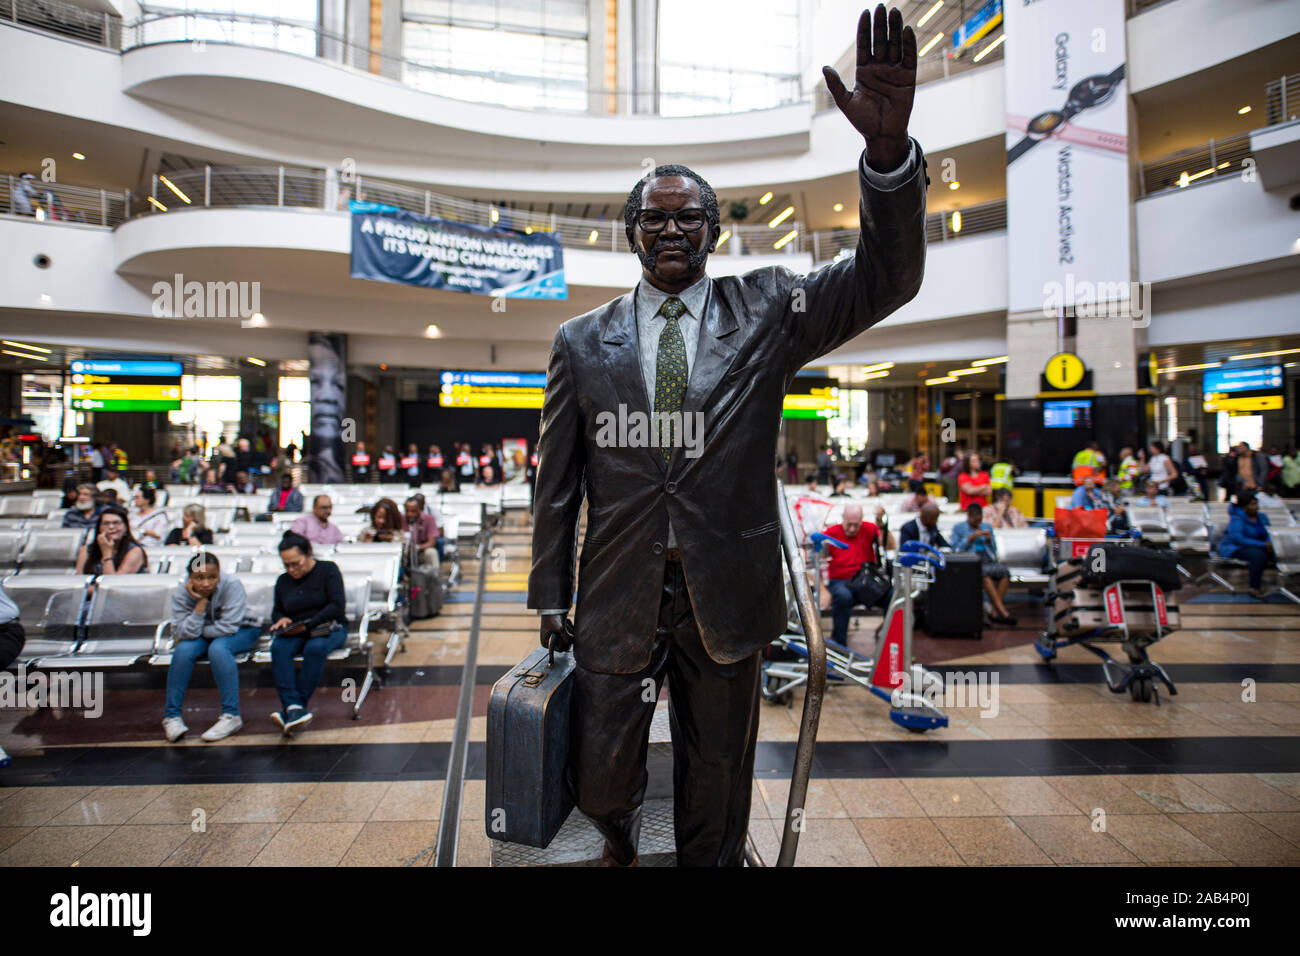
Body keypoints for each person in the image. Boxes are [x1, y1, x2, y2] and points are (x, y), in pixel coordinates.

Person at [528, 6, 924, 867]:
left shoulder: (770, 309)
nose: (672, 230)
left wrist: (888, 160)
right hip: (615, 594)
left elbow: (887, 280)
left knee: (719, 776)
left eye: (688, 219)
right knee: (603, 772)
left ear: (714, 231)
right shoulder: (580, 343)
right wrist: (549, 590)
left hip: (728, 593)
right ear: (632, 232)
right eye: (655, 219)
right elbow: (554, 483)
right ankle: (615, 843)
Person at [162, 553, 262, 742]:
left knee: (218, 649)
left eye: (212, 577)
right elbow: (181, 632)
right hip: (206, 633)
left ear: (219, 574)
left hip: (243, 630)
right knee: (183, 651)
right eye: (199, 578)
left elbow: (228, 627)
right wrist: (200, 605)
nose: (206, 583)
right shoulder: (181, 593)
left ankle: (231, 715)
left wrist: (196, 631)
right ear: (189, 577)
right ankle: (172, 717)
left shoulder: (232, 584)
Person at [268, 532, 347, 735]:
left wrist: (310, 624)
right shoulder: (283, 580)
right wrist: (281, 619)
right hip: (296, 629)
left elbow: (337, 606)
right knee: (278, 649)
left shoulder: (327, 570)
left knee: (316, 648)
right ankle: (295, 709)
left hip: (327, 626)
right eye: (286, 565)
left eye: (296, 563)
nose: (292, 570)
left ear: (309, 554)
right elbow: (277, 610)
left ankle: (293, 707)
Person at [822, 504, 887, 646]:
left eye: (856, 525)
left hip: (865, 578)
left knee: (892, 595)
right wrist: (822, 588)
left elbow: (887, 545)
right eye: (849, 524)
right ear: (842, 519)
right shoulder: (830, 533)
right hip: (840, 580)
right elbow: (819, 560)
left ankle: (890, 639)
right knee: (843, 597)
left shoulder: (870, 528)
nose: (852, 529)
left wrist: (881, 522)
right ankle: (839, 643)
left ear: (861, 521)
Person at [950, 502, 1016, 625]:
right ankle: (1002, 612)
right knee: (985, 576)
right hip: (970, 560)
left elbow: (994, 550)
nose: (977, 523)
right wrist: (970, 538)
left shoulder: (986, 527)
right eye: (975, 520)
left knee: (1005, 573)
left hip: (987, 559)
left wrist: (989, 541)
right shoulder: (959, 528)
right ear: (969, 516)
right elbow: (955, 549)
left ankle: (994, 611)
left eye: (979, 520)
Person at [1219, 492, 1274, 599]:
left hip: (1261, 546)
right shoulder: (1237, 519)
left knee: (1282, 553)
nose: (1256, 507)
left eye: (1256, 504)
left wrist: (1269, 543)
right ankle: (1254, 587)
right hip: (1237, 547)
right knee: (1258, 556)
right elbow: (1238, 539)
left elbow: (1269, 532)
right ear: (1244, 507)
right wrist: (1262, 544)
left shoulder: (1262, 517)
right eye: (1253, 504)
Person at [75, 505, 147, 574]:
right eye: (106, 523)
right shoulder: (86, 550)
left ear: (126, 527)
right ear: (99, 528)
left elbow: (112, 583)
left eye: (116, 523)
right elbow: (79, 580)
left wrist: (107, 553)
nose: (111, 527)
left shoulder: (135, 551)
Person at [403, 496, 443, 563]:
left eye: (413, 511)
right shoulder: (402, 518)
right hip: (405, 552)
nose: (409, 514)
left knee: (431, 552)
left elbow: (432, 542)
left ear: (419, 509)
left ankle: (435, 573)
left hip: (422, 550)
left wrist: (417, 547)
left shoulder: (429, 518)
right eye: (407, 511)